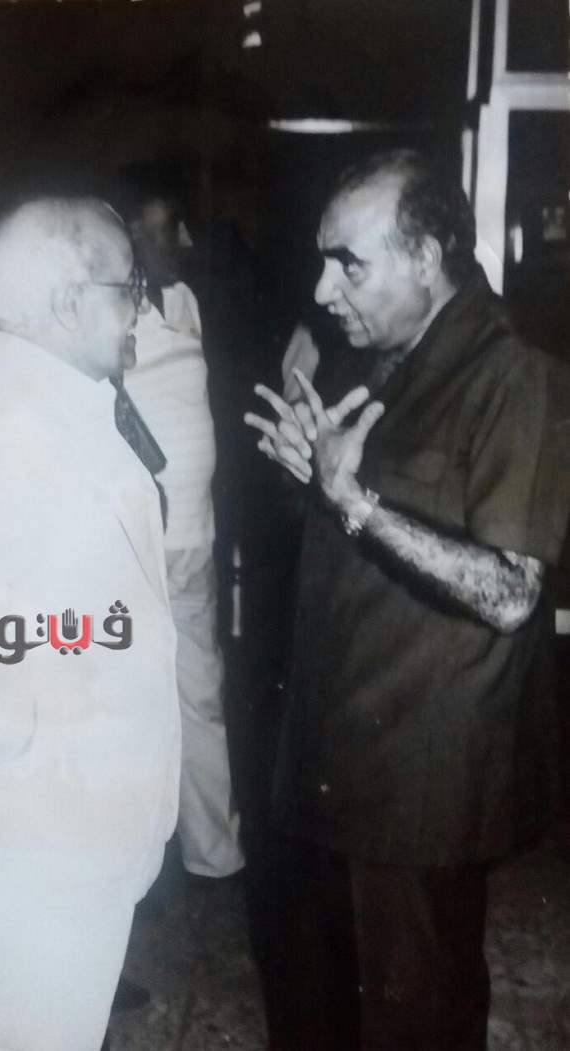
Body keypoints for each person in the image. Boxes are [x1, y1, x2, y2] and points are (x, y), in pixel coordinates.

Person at [245, 149, 570, 1050]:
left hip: (419, 790)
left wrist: (355, 505)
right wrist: (315, 488)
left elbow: (510, 590)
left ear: (427, 257)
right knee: (321, 1011)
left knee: (413, 1021)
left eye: (348, 263)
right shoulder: (375, 356)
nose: (322, 288)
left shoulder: (515, 376)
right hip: (334, 761)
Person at [0, 197, 180, 1051]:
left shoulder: (46, 392)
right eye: (128, 289)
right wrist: (31, 755)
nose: (138, 310)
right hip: (47, 832)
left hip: (65, 824)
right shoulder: (13, 416)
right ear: (69, 302)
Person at [125, 188, 244, 880]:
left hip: (194, 538)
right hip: (137, 541)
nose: (185, 243)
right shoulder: (107, 309)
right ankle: (138, 857)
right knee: (133, 699)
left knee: (199, 690)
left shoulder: (187, 301)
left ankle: (212, 852)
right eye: (168, 230)